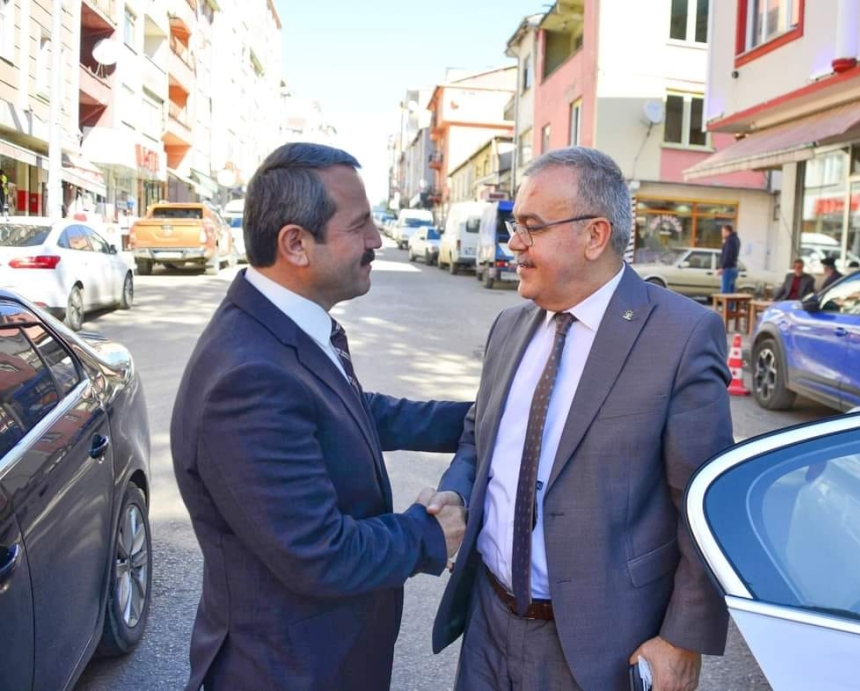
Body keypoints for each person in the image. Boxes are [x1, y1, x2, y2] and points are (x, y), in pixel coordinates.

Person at [428, 147, 733, 691]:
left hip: (599, 648)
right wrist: (455, 491)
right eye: (515, 226)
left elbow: (704, 503)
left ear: (595, 235)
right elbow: (478, 437)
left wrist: (683, 638)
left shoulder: (681, 336)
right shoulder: (510, 326)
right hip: (487, 623)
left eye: (532, 227)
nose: (514, 243)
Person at [170, 142, 471, 691]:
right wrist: (431, 533)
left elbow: (351, 411)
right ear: (296, 244)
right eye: (359, 225)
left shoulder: (282, 326)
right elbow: (319, 553)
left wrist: (479, 417)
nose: (377, 240)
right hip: (287, 672)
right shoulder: (248, 377)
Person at [718, 223, 740, 293]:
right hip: (734, 267)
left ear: (727, 231)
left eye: (723, 231)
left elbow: (727, 255)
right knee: (731, 292)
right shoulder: (736, 239)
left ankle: (726, 301)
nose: (722, 234)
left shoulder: (729, 241)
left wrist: (722, 267)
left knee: (725, 292)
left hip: (728, 268)